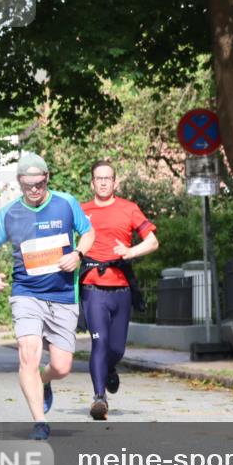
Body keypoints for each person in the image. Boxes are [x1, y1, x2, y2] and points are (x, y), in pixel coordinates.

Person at [0, 153, 95, 440]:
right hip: (26, 294)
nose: (34, 190)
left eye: (39, 184)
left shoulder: (66, 203)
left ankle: (44, 381)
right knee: (28, 356)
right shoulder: (9, 213)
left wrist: (77, 254)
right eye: (27, 185)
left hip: (62, 294)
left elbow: (88, 233)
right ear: (19, 183)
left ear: (47, 178)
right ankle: (40, 421)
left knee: (62, 366)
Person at [79, 160, 158, 420]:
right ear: (92, 183)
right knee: (98, 343)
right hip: (92, 286)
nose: (103, 182)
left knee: (117, 349)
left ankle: (110, 368)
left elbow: (152, 241)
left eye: (108, 178)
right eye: (98, 178)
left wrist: (130, 251)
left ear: (115, 182)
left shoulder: (129, 208)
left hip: (121, 287)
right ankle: (99, 398)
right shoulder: (81, 211)